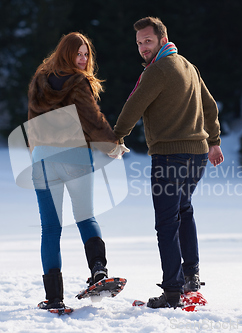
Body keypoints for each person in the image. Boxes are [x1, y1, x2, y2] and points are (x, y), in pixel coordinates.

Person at [113, 17, 224, 308]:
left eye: (147, 41)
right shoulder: (188, 66)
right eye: (138, 43)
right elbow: (211, 106)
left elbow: (133, 105)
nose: (142, 48)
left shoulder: (158, 70)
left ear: (163, 39)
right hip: (197, 155)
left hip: (170, 157)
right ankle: (192, 277)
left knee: (166, 222)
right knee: (184, 210)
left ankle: (173, 292)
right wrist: (213, 141)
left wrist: (116, 137)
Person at [27, 32, 124, 311]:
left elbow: (33, 120)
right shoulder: (79, 81)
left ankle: (54, 297)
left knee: (50, 228)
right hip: (76, 158)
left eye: (85, 54)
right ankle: (98, 272)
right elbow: (91, 118)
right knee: (85, 216)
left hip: (43, 160)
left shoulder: (39, 80)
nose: (82, 59)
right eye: (78, 54)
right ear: (66, 54)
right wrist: (113, 145)